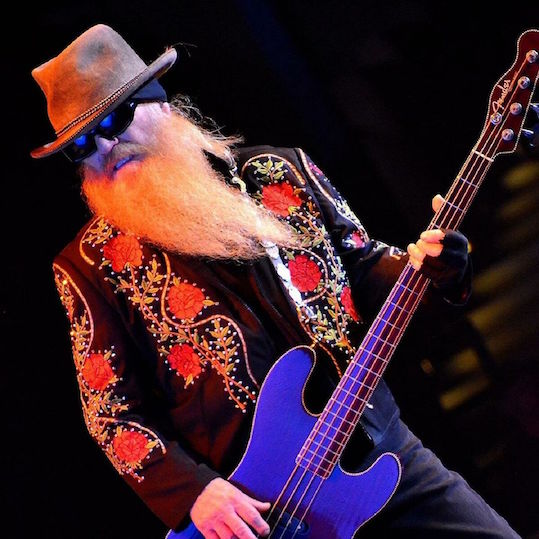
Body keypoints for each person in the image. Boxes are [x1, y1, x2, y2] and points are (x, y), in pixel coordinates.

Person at [31, 24, 520, 538]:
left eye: (116, 118)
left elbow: (362, 268)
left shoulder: (281, 172)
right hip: (264, 513)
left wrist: (437, 267)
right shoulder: (89, 265)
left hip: (378, 450)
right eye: (82, 144)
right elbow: (111, 414)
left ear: (162, 105)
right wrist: (194, 493)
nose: (106, 144)